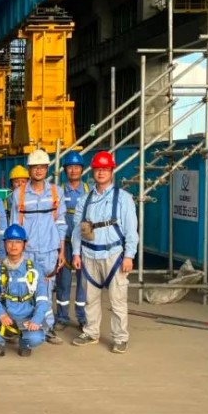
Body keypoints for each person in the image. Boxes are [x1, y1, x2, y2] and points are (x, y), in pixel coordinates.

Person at [71, 150, 139, 354]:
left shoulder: (123, 198)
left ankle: (120, 337)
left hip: (114, 255)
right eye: (98, 169)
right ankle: (91, 332)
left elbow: (131, 230)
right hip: (89, 255)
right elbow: (77, 229)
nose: (101, 173)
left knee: (117, 300)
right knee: (90, 298)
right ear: (93, 172)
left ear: (111, 171)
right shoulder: (85, 199)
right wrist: (76, 253)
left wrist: (129, 256)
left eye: (105, 169)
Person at [8, 149, 66, 344]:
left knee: (46, 289)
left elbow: (61, 223)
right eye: (35, 167)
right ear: (29, 169)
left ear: (47, 169)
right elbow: (15, 226)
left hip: (49, 250)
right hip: (28, 251)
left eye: (42, 167)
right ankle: (23, 326)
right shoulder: (19, 194)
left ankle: (47, 328)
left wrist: (61, 251)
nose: (39, 170)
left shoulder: (56, 192)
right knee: (24, 287)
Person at [0, 224, 50, 359]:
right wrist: (1, 314)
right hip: (6, 313)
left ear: (24, 244)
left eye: (18, 242)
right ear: (5, 244)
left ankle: (24, 343)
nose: (13, 246)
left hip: (26, 314)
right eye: (10, 241)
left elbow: (42, 299)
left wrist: (36, 320)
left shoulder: (34, 269)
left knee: (35, 339)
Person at [55, 150, 89, 330]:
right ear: (65, 170)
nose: (74, 170)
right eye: (70, 167)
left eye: (77, 167)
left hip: (84, 244)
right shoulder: (58, 191)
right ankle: (62, 317)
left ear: (82, 169)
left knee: (84, 282)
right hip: (64, 244)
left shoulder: (89, 191)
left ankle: (82, 317)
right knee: (63, 282)